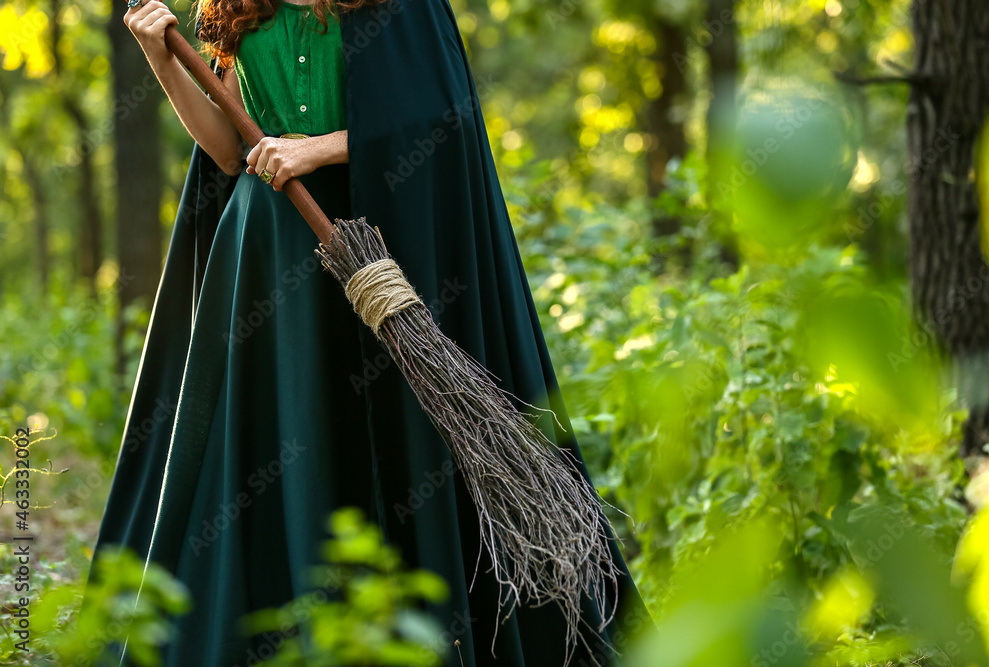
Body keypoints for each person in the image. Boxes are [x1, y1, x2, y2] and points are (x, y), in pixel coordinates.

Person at [85, 0, 653, 665]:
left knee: (382, 438)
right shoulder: (242, 6)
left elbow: (441, 117)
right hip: (266, 267)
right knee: (280, 442)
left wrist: (315, 149)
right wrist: (160, 58)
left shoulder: (401, 9)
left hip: (375, 249)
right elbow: (229, 151)